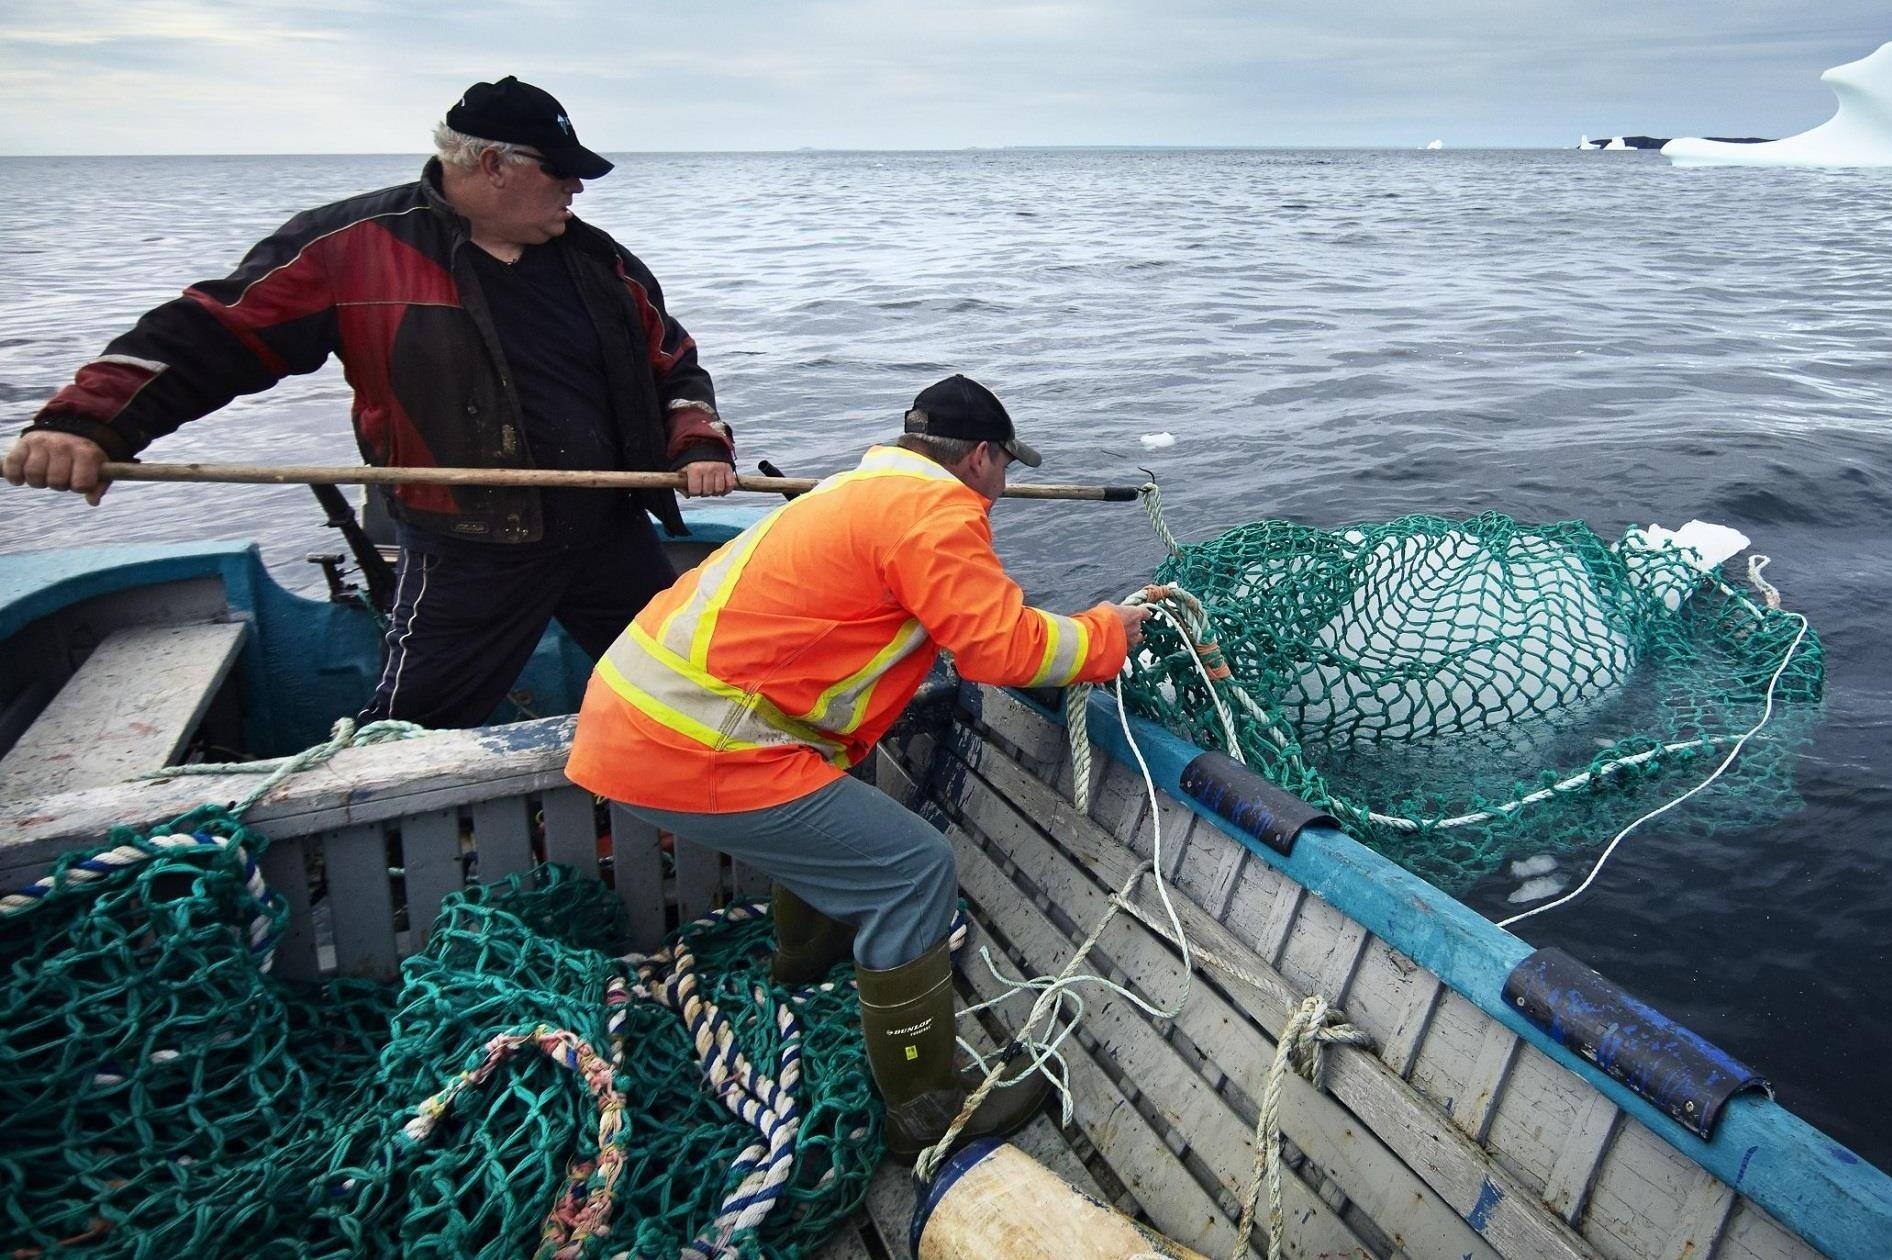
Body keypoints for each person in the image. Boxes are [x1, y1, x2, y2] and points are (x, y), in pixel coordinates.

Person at [2, 76, 736, 729]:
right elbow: (212, 335)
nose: (575, 188)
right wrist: (84, 424)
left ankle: (696, 814)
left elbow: (672, 367)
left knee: (692, 697)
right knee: (410, 730)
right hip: (468, 544)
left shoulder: (600, 261)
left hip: (609, 531)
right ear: (492, 165)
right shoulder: (352, 246)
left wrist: (699, 442)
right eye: (560, 171)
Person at [566, 374, 1150, 1160]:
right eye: (1007, 467)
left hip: (638, 717)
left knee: (840, 816)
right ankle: (924, 1108)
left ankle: (804, 973)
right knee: (912, 871)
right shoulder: (935, 511)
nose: (1004, 486)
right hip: (695, 741)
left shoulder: (858, 489)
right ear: (981, 457)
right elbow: (1000, 649)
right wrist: (1107, 632)